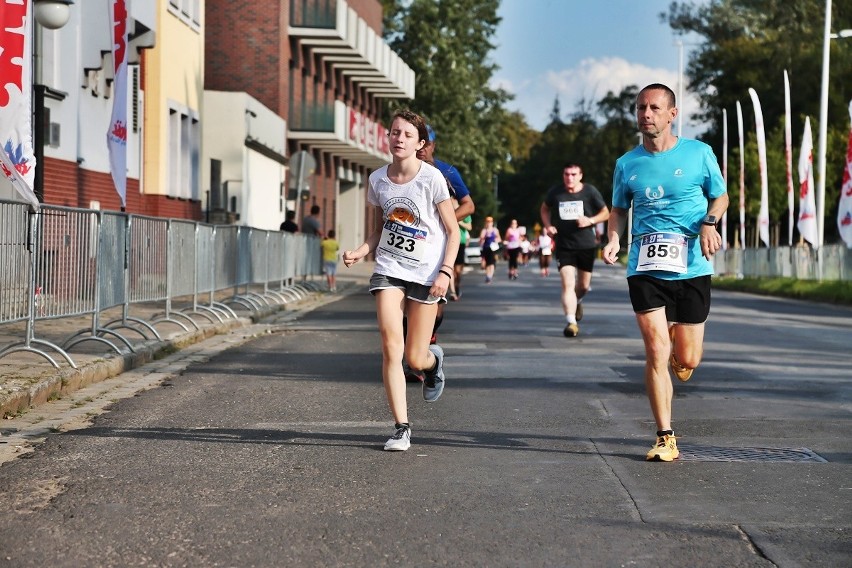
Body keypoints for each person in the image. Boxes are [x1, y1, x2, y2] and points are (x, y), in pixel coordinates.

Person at [601, 83, 729, 462]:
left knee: (688, 359)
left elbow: (720, 195)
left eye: (655, 108)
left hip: (691, 264)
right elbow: (619, 209)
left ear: (672, 114)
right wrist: (613, 239)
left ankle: (680, 356)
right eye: (641, 108)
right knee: (656, 348)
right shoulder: (627, 163)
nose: (646, 114)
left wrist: (709, 222)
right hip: (645, 264)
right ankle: (664, 436)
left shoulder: (699, 153)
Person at [342, 109, 460, 452]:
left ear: (420, 143)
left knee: (414, 358)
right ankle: (401, 428)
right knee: (390, 345)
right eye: (395, 132)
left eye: (407, 134)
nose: (399, 138)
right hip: (389, 269)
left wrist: (446, 272)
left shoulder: (432, 179)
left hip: (426, 273)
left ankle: (433, 361)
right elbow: (381, 230)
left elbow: (452, 232)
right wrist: (361, 251)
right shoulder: (377, 179)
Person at [540, 163, 610, 338]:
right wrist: (548, 226)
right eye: (566, 174)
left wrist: (590, 221)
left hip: (586, 244)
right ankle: (571, 322)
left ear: (580, 175)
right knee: (567, 283)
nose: (569, 178)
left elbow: (606, 213)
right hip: (564, 245)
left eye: (573, 174)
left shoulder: (590, 192)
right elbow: (544, 209)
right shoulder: (556, 192)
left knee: (583, 286)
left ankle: (578, 300)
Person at [478, 216, 501, 283]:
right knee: (487, 263)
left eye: (490, 222)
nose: (489, 223)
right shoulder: (484, 230)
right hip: (486, 248)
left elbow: (499, 239)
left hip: (493, 249)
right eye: (487, 222)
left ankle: (490, 276)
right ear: (486, 223)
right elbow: (480, 240)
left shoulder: (495, 230)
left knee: (492, 263)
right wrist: (483, 238)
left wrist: (496, 240)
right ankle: (488, 275)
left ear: (492, 223)